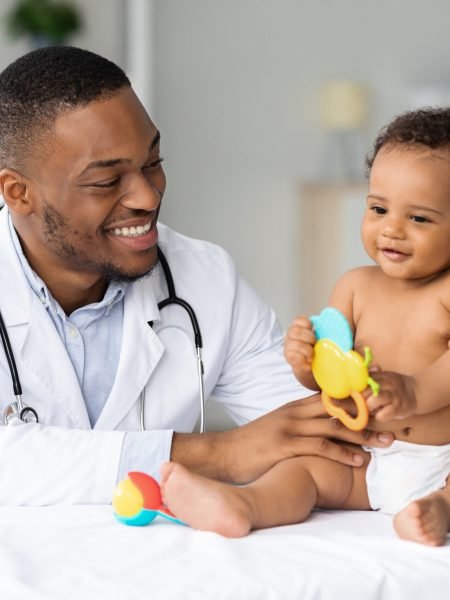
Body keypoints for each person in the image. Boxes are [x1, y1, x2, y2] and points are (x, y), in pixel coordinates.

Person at [0, 46, 393, 505]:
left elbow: (312, 433)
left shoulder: (206, 280)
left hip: (160, 564)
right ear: (18, 192)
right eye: (106, 181)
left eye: (153, 162)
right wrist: (218, 454)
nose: (147, 196)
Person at [159, 107, 450, 547]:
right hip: (367, 457)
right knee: (301, 471)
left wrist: (411, 392)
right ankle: (244, 506)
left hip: (440, 460)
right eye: (378, 208)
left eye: (419, 218)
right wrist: (304, 362)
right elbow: (328, 379)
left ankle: (437, 509)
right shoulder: (355, 286)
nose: (391, 229)